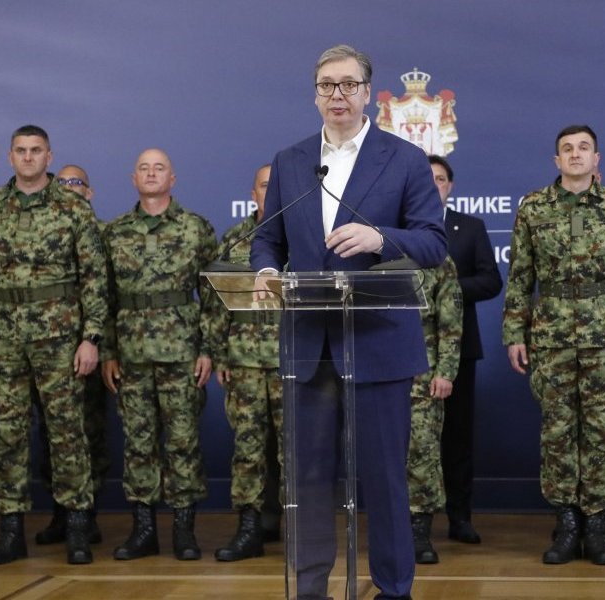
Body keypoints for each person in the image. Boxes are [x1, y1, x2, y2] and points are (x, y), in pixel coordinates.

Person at [250, 44, 447, 600]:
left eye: (348, 84)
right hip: (309, 348)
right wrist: (265, 270)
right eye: (326, 85)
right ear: (315, 94)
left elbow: (433, 243)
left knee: (384, 478)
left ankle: (393, 588)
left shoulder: (404, 158)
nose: (337, 95)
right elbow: (268, 237)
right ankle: (310, 588)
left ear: (367, 94)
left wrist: (380, 238)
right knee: (308, 480)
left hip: (377, 343)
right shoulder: (291, 160)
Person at [502, 124, 605, 566]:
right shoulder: (534, 207)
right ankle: (566, 524)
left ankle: (598, 526)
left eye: (584, 148)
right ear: (557, 160)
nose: (576, 154)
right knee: (558, 431)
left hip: (604, 334)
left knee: (602, 431)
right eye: (568, 149)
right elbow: (520, 276)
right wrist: (514, 333)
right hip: (552, 335)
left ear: (596, 159)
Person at [0, 125, 108, 566]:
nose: (28, 157)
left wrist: (91, 338)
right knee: (8, 437)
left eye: (36, 150)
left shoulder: (72, 207)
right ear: (9, 156)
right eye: (21, 150)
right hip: (7, 340)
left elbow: (94, 278)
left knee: (67, 433)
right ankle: (11, 532)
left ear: (49, 156)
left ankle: (77, 527)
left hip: (60, 339)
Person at [102, 148, 216, 562]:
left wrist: (208, 349)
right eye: (144, 168)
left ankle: (184, 531)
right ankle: (143, 531)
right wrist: (108, 350)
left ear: (173, 178)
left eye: (159, 168)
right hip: (131, 355)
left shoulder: (196, 228)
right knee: (138, 443)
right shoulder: (114, 232)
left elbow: (213, 296)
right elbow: (104, 297)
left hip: (181, 353)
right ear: (134, 179)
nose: (151, 174)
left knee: (183, 442)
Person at [204, 164, 284, 562]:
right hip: (245, 362)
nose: (270, 192)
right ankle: (250, 528)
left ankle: (302, 530)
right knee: (248, 449)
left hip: (293, 361)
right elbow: (216, 303)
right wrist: (219, 353)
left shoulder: (306, 238)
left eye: (277, 186)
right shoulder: (235, 240)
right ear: (253, 194)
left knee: (296, 451)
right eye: (264, 186)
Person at [30, 164, 111, 548]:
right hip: (51, 348)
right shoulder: (43, 233)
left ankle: (86, 513)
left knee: (88, 432)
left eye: (76, 182)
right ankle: (62, 512)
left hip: (93, 348)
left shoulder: (106, 234)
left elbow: (112, 296)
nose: (68, 188)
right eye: (61, 182)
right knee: (52, 433)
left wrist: (102, 346)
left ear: (89, 192)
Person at [427, 155, 502, 545]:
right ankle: (413, 521)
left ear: (450, 186)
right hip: (410, 350)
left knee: (456, 438)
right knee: (411, 440)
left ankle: (460, 518)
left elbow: (491, 281)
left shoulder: (469, 227)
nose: (433, 184)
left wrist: (448, 290)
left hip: (459, 348)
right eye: (426, 178)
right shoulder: (395, 228)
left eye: (440, 178)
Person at [406, 256, 462, 564]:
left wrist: (446, 372)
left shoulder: (436, 259)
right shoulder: (368, 252)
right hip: (377, 368)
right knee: (383, 452)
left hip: (423, 371)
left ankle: (419, 530)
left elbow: (450, 323)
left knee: (422, 449)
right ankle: (391, 528)